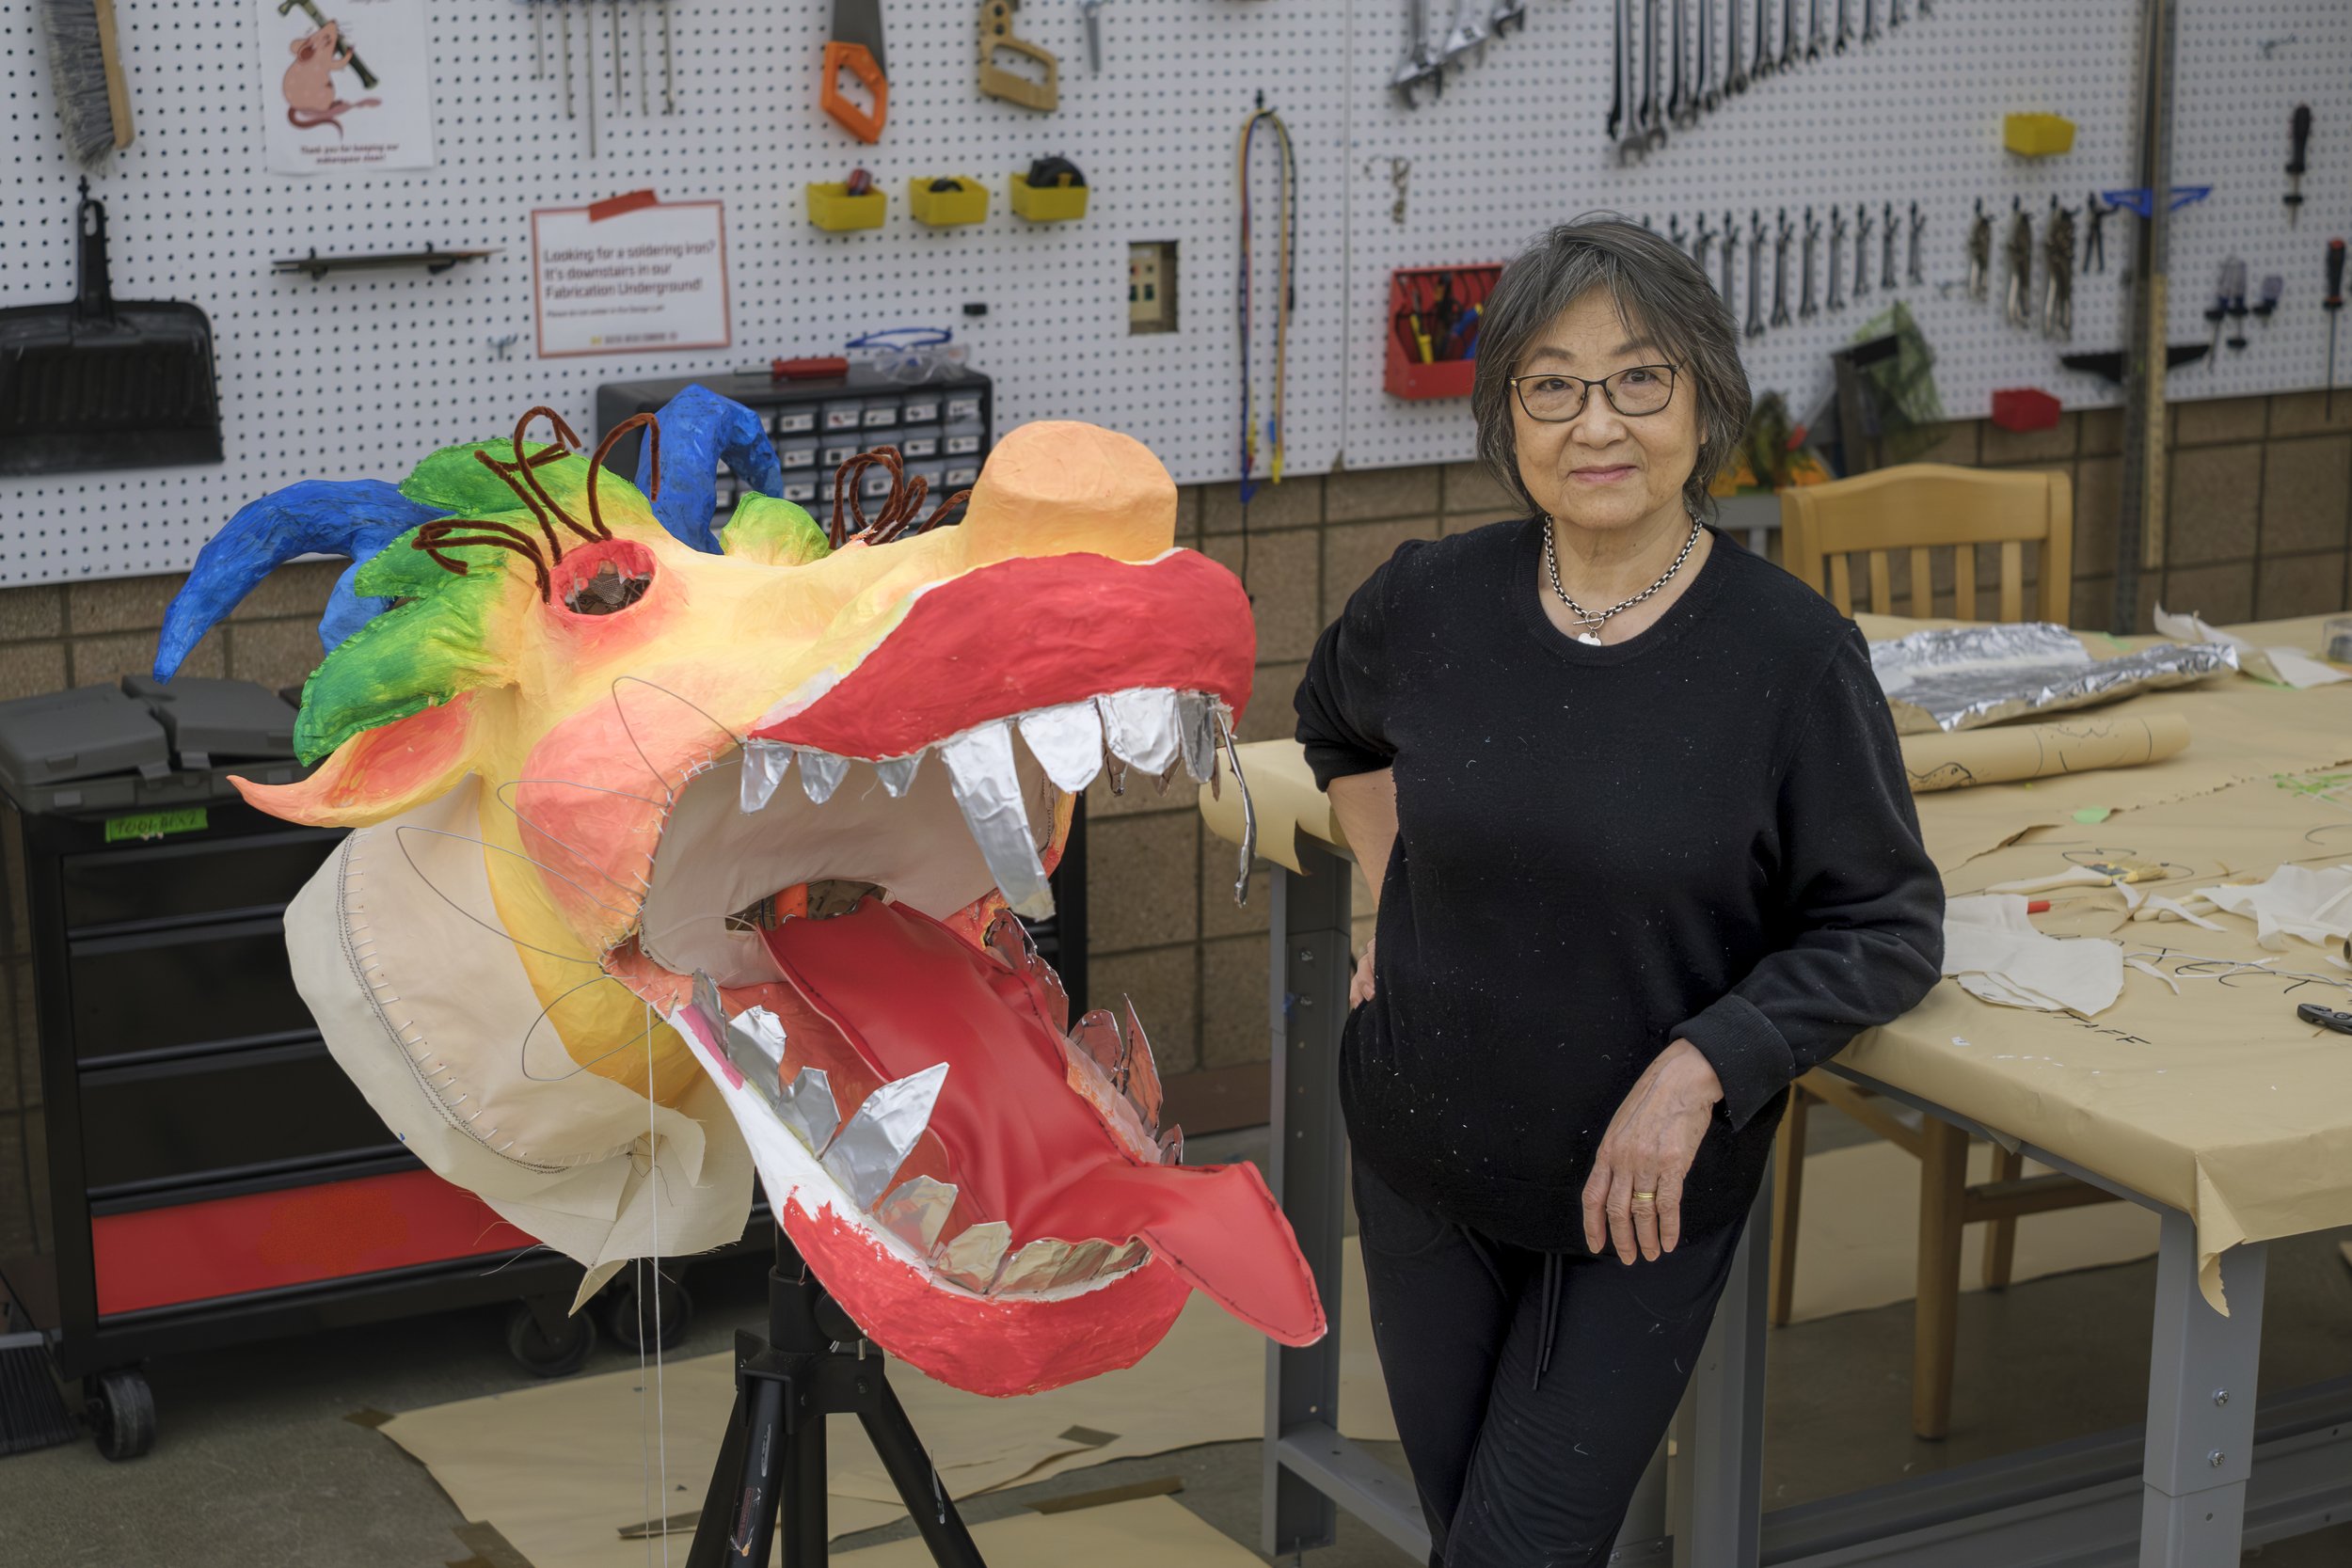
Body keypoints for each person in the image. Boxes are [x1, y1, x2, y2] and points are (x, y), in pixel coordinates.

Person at [1292, 217, 1945, 1567]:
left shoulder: (1790, 659)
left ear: (1703, 404)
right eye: (1552, 384)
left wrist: (1706, 1063)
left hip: (1637, 1198)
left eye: (1639, 380)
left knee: (1519, 1549)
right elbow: (1334, 724)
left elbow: (1883, 924)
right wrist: (1384, 894)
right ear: (1508, 416)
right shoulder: (1432, 599)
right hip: (1421, 1152)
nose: (1597, 424)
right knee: (1463, 1528)